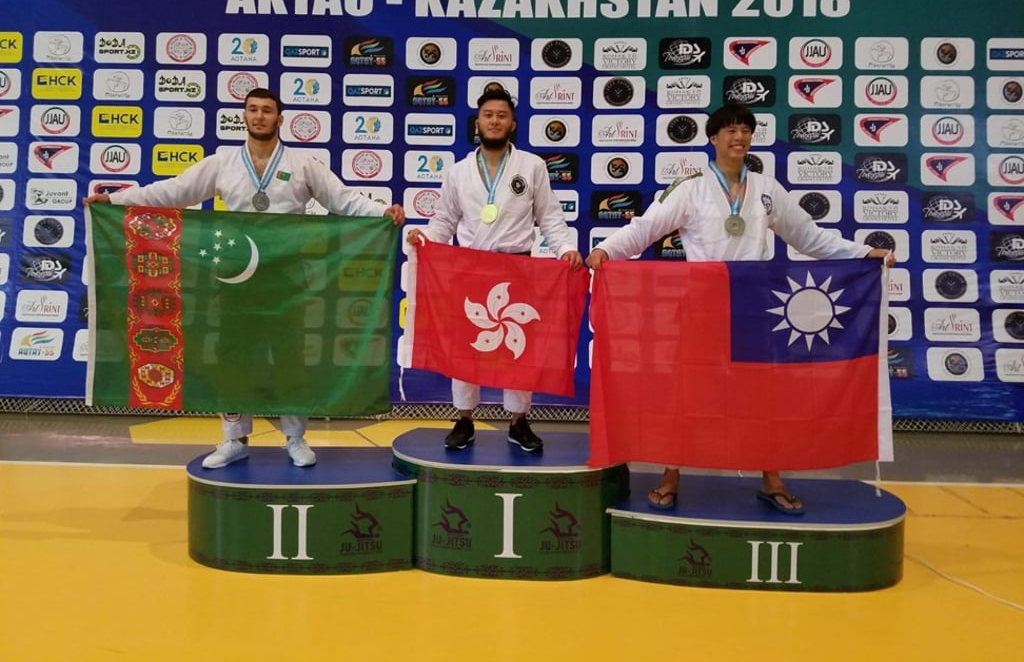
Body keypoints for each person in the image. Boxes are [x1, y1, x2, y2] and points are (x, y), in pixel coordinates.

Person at [585, 103, 896, 514]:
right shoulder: (691, 187)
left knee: (764, 400)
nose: (739, 137)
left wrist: (863, 253)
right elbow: (645, 229)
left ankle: (771, 479)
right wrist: (606, 250)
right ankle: (671, 473)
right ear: (713, 138)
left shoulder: (767, 189)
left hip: (756, 311)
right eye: (730, 130)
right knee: (689, 396)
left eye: (745, 130)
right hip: (701, 310)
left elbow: (809, 237)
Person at [83, 87, 405, 469]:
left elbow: (343, 199)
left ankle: (295, 437)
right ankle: (233, 438)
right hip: (236, 279)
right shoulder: (223, 162)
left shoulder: (304, 164)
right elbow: (172, 192)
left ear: (280, 118)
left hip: (287, 280)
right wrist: (116, 201)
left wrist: (382, 210)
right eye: (252, 109)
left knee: (290, 361)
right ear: (244, 116)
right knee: (232, 360)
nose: (259, 116)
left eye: (267, 110)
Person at [406, 87, 583, 452]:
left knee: (518, 347)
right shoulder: (457, 172)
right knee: (468, 345)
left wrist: (566, 249)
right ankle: (464, 417)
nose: (495, 121)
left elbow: (549, 218)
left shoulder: (532, 166)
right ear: (478, 122)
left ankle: (518, 421)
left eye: (502, 115)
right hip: (469, 267)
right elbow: (445, 220)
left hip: (517, 266)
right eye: (488, 115)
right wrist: (425, 238)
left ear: (512, 123)